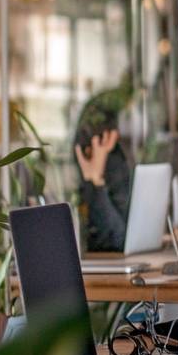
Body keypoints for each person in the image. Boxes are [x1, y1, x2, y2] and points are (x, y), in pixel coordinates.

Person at [74, 85, 132, 252]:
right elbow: (117, 238)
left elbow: (123, 238)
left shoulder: (115, 161)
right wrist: (95, 181)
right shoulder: (84, 168)